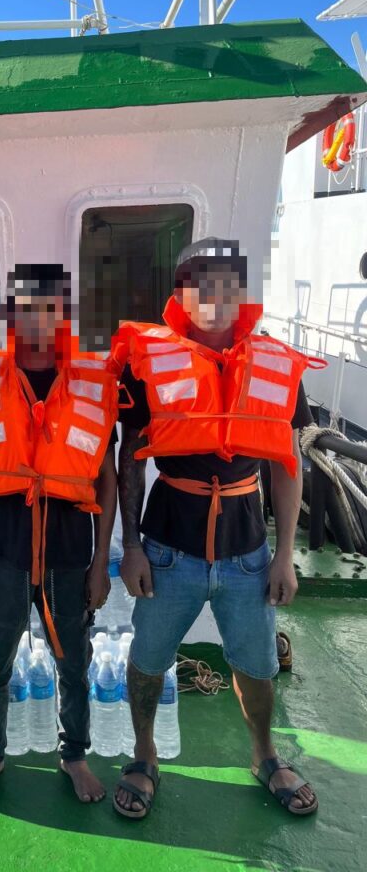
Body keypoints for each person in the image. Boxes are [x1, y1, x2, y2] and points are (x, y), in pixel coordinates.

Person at [112, 237, 320, 820]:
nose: (213, 295)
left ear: (241, 293)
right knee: (148, 659)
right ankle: (145, 755)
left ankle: (265, 755)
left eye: (226, 282)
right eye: (199, 283)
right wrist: (131, 547)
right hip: (167, 546)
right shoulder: (149, 361)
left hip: (247, 549)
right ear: (180, 294)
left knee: (257, 665)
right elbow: (130, 458)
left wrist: (283, 554)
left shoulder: (275, 363)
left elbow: (287, 464)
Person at [0, 264, 118, 805]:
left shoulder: (91, 384)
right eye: (26, 310)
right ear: (9, 316)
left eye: (50, 309)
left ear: (65, 316)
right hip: (2, 552)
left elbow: (107, 477)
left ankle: (74, 756)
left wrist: (100, 563)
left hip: (68, 555)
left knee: (74, 663)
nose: (38, 321)